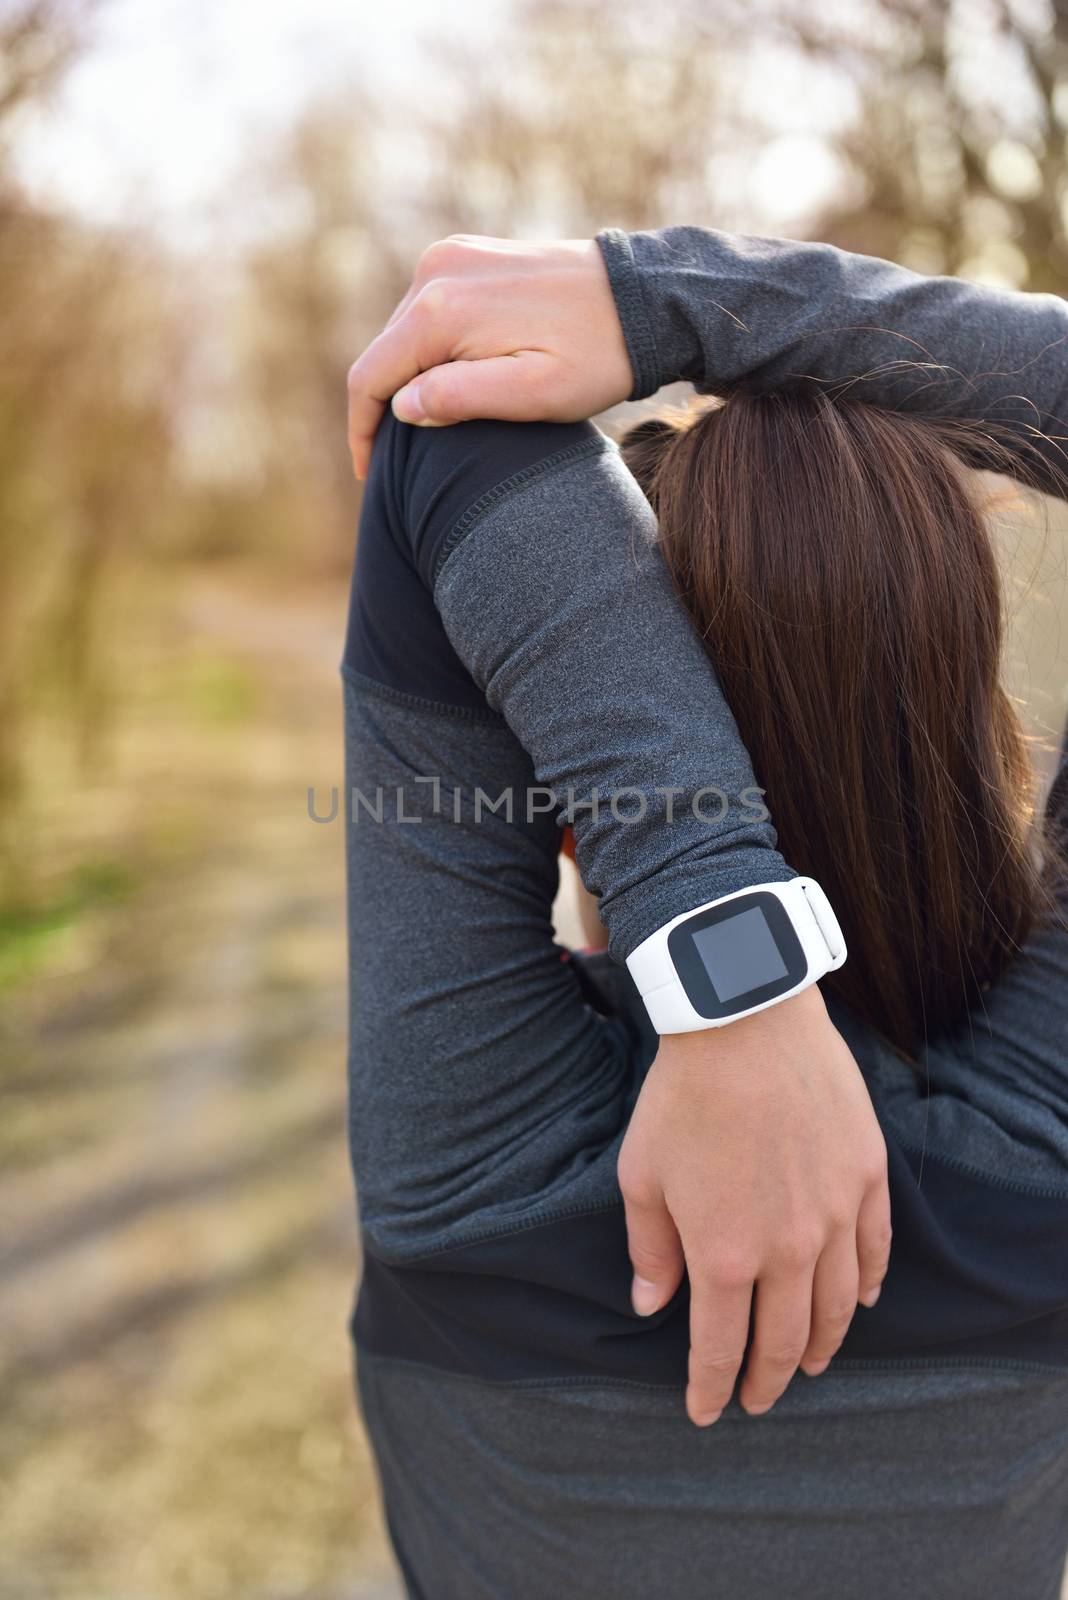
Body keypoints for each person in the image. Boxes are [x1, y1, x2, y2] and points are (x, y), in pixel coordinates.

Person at [342, 228, 1068, 1598]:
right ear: (980, 735)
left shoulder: (470, 1149)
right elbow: (449, 431)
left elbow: (455, 444)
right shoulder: (1044, 1161)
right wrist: (665, 305)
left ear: (567, 793)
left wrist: (724, 938)